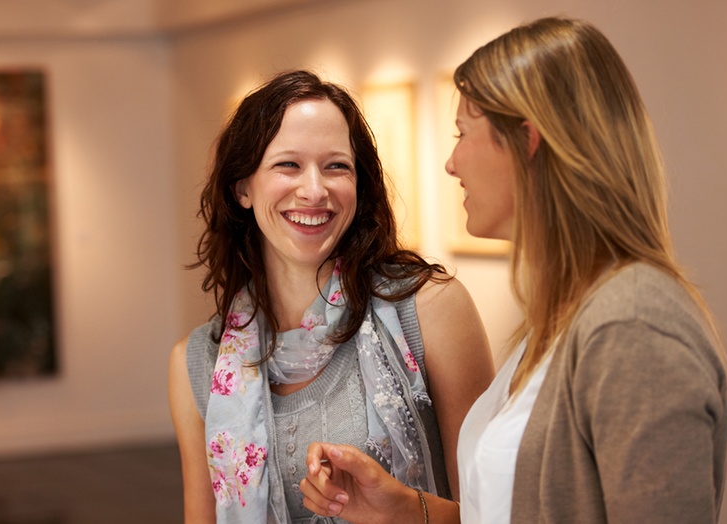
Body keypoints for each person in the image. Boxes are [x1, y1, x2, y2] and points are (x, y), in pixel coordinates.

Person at [301, 17, 727, 524]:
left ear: (527, 140)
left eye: (462, 133)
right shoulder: (562, 319)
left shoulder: (632, 325)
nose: (451, 163)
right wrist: (404, 510)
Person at [168, 70, 495, 523]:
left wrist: (402, 511)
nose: (315, 190)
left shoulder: (430, 309)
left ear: (359, 186)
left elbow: (493, 512)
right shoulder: (198, 364)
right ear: (243, 187)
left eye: (336, 166)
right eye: (288, 165)